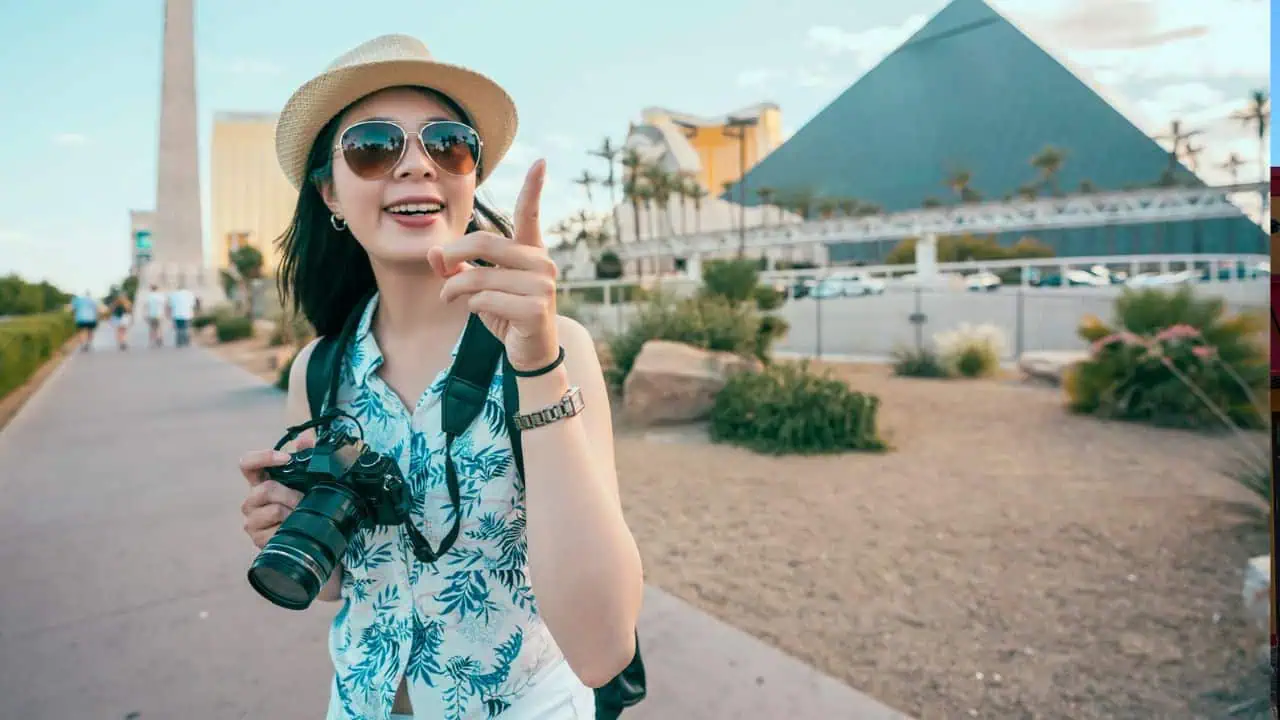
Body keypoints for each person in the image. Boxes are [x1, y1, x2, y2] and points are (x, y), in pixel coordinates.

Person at [235, 35, 642, 720]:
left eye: (447, 144)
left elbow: (604, 651)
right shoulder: (322, 367)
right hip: (358, 704)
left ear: (470, 177)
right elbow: (338, 587)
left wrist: (538, 363)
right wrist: (289, 523)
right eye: (373, 146)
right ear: (330, 191)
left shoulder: (553, 348)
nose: (417, 164)